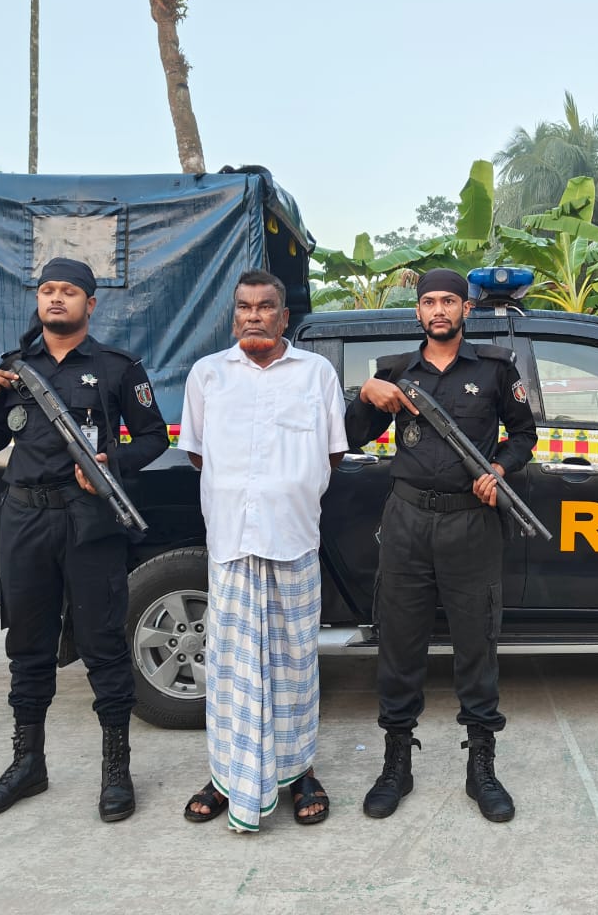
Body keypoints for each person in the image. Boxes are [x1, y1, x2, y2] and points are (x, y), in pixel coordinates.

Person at [0, 256, 169, 822]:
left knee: (102, 642)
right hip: (25, 520)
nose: (55, 299)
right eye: (47, 290)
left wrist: (109, 463)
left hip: (89, 520)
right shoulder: (15, 370)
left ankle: (116, 770)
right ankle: (28, 765)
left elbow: (153, 437)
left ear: (90, 305)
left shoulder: (119, 368)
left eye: (68, 291)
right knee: (28, 643)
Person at [344, 267, 537, 823]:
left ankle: (482, 767)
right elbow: (354, 433)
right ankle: (395, 764)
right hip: (406, 522)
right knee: (399, 644)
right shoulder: (395, 371)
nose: (438, 311)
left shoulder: (496, 370)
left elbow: (524, 434)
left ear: (465, 310)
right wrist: (367, 393)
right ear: (419, 312)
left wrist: (499, 468)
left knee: (477, 644)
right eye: (429, 302)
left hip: (471, 522)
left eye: (448, 301)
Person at [178, 268, 348, 832]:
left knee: (295, 663)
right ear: (234, 316)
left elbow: (332, 454)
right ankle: (228, 774)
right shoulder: (208, 376)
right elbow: (198, 454)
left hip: (294, 539)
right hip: (230, 541)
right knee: (229, 666)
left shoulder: (315, 373)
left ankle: (299, 772)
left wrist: (283, 490)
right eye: (245, 307)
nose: (254, 315)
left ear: (284, 316)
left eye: (265, 306)